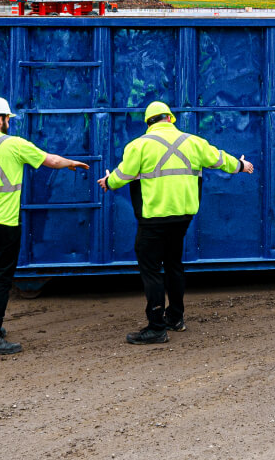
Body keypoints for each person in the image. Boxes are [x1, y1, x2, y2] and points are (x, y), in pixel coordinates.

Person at [99, 101, 254, 345]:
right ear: (170, 119)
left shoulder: (138, 145)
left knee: (151, 270)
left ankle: (156, 327)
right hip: (183, 218)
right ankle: (175, 317)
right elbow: (220, 159)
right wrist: (242, 165)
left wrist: (108, 181)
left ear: (148, 123)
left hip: (153, 220)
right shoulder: (194, 142)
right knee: (173, 264)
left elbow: (123, 176)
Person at [0, 96, 89, 356]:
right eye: (7, 119)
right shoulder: (14, 145)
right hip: (4, 223)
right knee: (2, 277)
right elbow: (50, 160)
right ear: (1, 120)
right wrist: (71, 162)